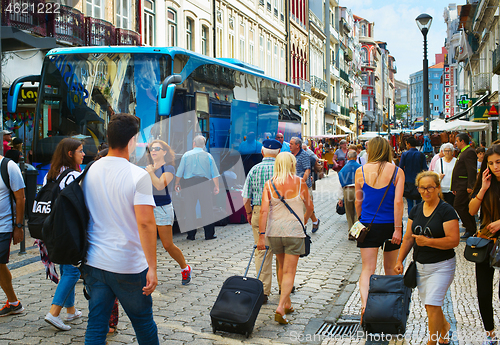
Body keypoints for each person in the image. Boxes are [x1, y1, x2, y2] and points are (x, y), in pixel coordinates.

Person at [81, 113, 159, 344]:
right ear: (132, 140)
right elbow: (145, 223)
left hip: (95, 262)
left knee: (96, 323)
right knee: (143, 323)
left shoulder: (89, 170)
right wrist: (152, 267)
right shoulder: (138, 175)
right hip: (129, 265)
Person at [395, 171, 459, 345]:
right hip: (421, 266)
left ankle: (432, 342)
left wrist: (428, 242)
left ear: (438, 188)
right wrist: (400, 260)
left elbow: (454, 240)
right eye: (422, 188)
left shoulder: (446, 211)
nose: (426, 191)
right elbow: (408, 237)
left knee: (432, 304)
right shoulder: (415, 210)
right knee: (432, 306)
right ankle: (444, 327)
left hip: (442, 265)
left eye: (430, 187)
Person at [257, 152, 313, 324]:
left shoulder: (269, 184)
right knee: (290, 271)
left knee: (282, 267)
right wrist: (303, 220)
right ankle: (281, 307)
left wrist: (261, 237)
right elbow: (310, 207)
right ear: (292, 164)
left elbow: (264, 211)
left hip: (274, 233)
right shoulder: (300, 182)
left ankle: (287, 302)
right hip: (294, 233)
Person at [354, 136, 404, 325]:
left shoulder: (361, 171)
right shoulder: (397, 172)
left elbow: (358, 201)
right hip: (391, 226)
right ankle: (391, 308)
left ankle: (366, 306)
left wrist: (360, 219)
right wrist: (398, 229)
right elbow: (398, 202)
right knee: (391, 268)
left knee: (368, 268)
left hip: (368, 224)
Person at [42, 138, 85, 331]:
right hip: (69, 228)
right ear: (70, 154)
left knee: (66, 269)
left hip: (52, 228)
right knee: (73, 271)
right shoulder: (74, 176)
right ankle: (54, 312)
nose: (83, 154)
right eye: (80, 151)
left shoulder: (51, 175)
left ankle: (71, 310)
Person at [145, 140, 191, 285]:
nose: (153, 151)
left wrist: (151, 173)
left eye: (157, 149)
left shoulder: (169, 168)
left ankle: (185, 268)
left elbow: (159, 185)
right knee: (147, 244)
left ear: (164, 152)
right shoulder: (148, 168)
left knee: (167, 245)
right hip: (148, 208)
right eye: (151, 149)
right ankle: (149, 275)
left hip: (163, 209)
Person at [242, 139, 282, 304]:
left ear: (262, 152)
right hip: (280, 214)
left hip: (259, 211)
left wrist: (249, 212)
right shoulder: (282, 171)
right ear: (279, 154)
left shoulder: (254, 169)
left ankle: (263, 291)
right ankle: (283, 286)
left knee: (262, 251)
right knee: (281, 250)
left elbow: (245, 196)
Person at [469, 144, 500, 345]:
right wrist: (483, 188)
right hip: (486, 240)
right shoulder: (485, 182)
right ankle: (490, 332)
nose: (495, 166)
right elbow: (471, 210)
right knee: (483, 291)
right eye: (491, 163)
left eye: (498, 162)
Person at [175, 135, 220, 240]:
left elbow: (179, 171)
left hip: (188, 184)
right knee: (207, 208)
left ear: (193, 143)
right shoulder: (208, 156)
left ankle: (191, 235)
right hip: (204, 184)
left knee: (189, 208)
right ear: (204, 145)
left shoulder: (186, 155)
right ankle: (209, 234)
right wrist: (216, 186)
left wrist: (177, 183)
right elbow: (215, 174)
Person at [0, 153, 25, 317]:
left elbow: (20, 198)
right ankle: (14, 302)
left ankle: (14, 302)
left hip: (3, 225)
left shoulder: (8, 166)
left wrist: (18, 226)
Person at [289, 137, 320, 232]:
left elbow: (307, 170)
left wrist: (302, 182)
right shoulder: (291, 155)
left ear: (297, 145)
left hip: (304, 185)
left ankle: (303, 228)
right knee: (305, 206)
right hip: (293, 185)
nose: (289, 145)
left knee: (304, 207)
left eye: (291, 143)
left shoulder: (304, 155)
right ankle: (315, 221)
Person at [451, 133, 477, 239]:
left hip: (464, 185)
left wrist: (470, 185)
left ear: (462, 141)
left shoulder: (469, 152)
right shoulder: (463, 152)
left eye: (457, 141)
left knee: (459, 205)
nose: (455, 143)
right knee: (464, 207)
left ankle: (470, 228)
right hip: (460, 186)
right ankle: (470, 228)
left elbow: (471, 170)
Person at [399, 137, 427, 215]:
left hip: (408, 182)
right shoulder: (421, 155)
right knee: (418, 202)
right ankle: (418, 218)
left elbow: (400, 168)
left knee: (409, 203)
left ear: (409, 144)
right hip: (419, 182)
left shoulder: (405, 154)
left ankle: (411, 219)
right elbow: (425, 169)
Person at [338, 151, 361, 238]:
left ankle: (351, 232)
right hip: (358, 190)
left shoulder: (343, 169)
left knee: (349, 212)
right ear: (356, 157)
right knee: (357, 211)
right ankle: (357, 232)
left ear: (347, 157)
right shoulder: (360, 167)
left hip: (347, 190)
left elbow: (340, 185)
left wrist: (340, 198)